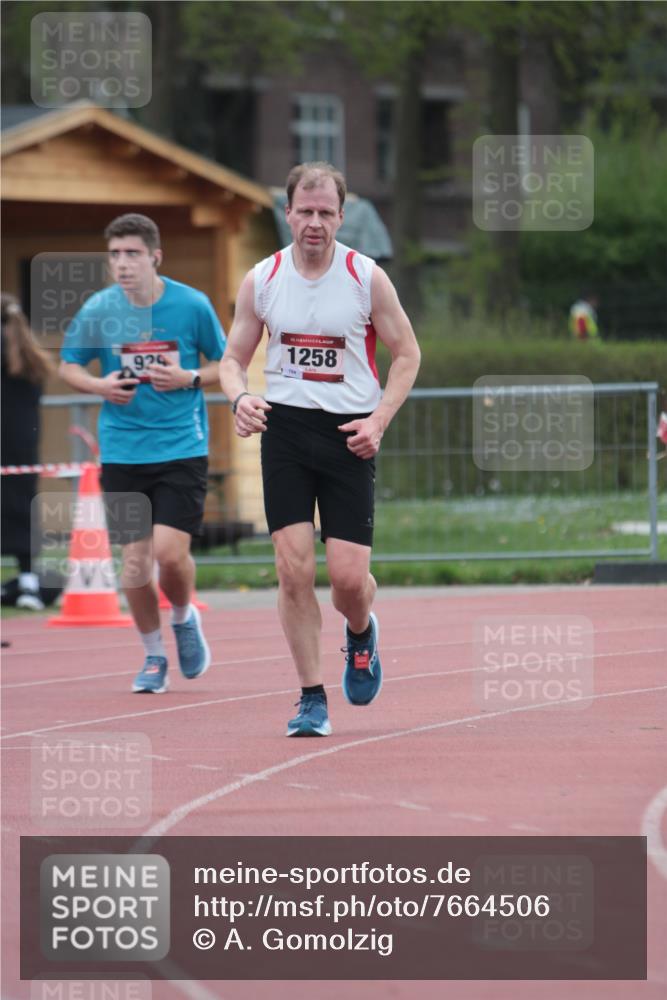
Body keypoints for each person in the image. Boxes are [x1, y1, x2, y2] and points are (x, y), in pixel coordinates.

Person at [220, 162, 421, 737]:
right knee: (293, 570)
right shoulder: (263, 278)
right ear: (287, 213)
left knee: (349, 581)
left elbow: (408, 354)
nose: (314, 223)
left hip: (348, 434)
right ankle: (311, 696)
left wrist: (379, 420)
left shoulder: (365, 277)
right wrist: (240, 400)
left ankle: (361, 634)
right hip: (283, 431)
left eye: (325, 212)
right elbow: (232, 360)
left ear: (341, 214)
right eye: (304, 212)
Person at [59, 213, 226, 693]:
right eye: (114, 255)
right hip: (123, 451)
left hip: (180, 447)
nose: (122, 264)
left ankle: (183, 615)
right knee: (134, 564)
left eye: (131, 254)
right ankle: (154, 656)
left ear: (155, 257)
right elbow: (69, 364)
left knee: (170, 556)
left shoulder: (192, 305)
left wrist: (189, 377)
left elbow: (226, 362)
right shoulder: (99, 309)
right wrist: (99, 384)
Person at [1, 293, 55, 610]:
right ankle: (28, 583)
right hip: (24, 452)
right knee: (24, 511)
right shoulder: (31, 358)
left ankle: (26, 585)